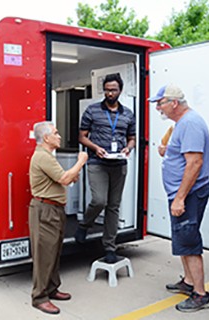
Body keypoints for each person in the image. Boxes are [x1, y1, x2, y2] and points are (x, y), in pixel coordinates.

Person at [149, 84, 209, 312]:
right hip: (182, 194)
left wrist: (180, 198)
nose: (158, 108)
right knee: (183, 241)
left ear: (173, 103)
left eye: (160, 103)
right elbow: (184, 154)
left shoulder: (191, 124)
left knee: (189, 241)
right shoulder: (181, 124)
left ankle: (200, 294)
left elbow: (195, 163)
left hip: (189, 195)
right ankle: (188, 282)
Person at [74, 73, 136, 263]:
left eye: (114, 90)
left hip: (118, 163)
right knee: (100, 200)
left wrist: (128, 148)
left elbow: (132, 138)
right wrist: (95, 148)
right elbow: (81, 136)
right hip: (97, 162)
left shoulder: (128, 114)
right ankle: (85, 224)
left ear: (120, 90)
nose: (110, 93)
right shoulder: (92, 111)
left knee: (113, 206)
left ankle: (109, 246)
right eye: (107, 90)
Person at [29, 121, 88, 315]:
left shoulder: (47, 156)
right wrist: (80, 161)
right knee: (44, 255)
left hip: (53, 210)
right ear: (46, 138)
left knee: (53, 252)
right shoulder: (43, 157)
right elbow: (63, 179)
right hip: (45, 210)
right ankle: (39, 297)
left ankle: (52, 288)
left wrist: (72, 174)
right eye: (56, 133)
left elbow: (63, 177)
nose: (60, 136)